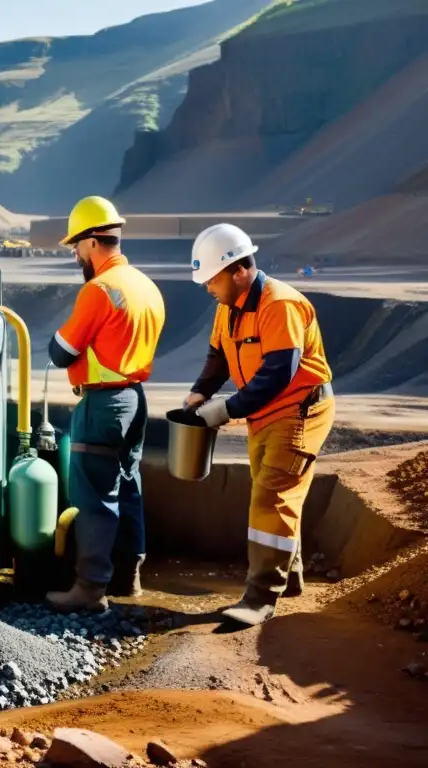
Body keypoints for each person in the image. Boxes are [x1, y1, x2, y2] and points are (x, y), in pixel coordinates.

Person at [185, 223, 335, 626]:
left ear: (239, 271)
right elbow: (218, 357)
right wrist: (200, 394)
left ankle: (260, 598)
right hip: (265, 412)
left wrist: (226, 409)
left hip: (298, 410)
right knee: (274, 493)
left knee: (272, 498)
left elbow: (276, 376)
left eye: (211, 279)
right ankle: (290, 579)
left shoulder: (279, 305)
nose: (207, 288)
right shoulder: (227, 307)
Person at [44, 196, 166, 613]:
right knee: (128, 487)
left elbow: (62, 350)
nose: (75, 253)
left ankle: (90, 590)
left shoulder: (100, 290)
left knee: (95, 493)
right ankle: (128, 578)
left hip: (104, 404)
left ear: (93, 241)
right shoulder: (145, 285)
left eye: (75, 245)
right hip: (135, 399)